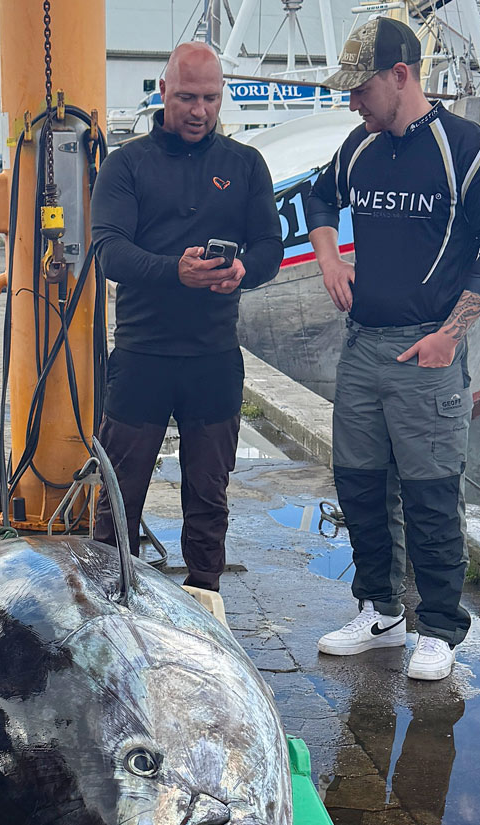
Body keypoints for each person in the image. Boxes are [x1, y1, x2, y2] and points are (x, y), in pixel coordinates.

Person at [305, 18, 480, 681]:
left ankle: (441, 626)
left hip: (427, 350)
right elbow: (318, 197)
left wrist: (450, 335)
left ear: (401, 75)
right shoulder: (359, 146)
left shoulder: (467, 149)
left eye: (361, 89)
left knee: (431, 494)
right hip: (362, 344)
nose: (352, 103)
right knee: (360, 484)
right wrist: (329, 258)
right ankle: (379, 610)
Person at [90, 41, 283, 591]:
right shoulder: (127, 164)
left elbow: (270, 246)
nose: (200, 111)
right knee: (120, 492)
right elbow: (108, 251)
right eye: (187, 98)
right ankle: (110, 596)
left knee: (208, 494)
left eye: (210, 99)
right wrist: (175, 270)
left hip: (213, 357)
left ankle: (205, 592)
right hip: (143, 355)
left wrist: (242, 269)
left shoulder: (245, 165)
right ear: (163, 91)